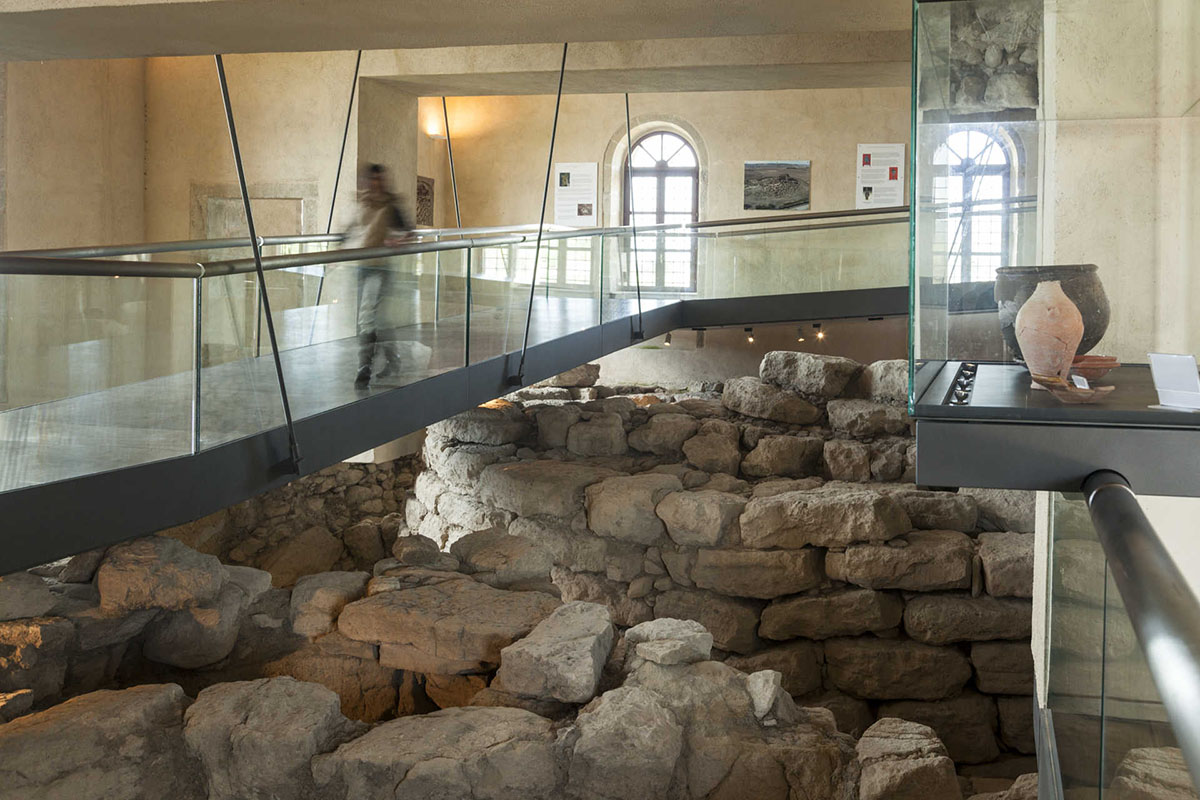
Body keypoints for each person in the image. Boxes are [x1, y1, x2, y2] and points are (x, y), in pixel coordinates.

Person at [344, 164, 413, 389]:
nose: (375, 185)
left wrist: (397, 242)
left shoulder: (391, 204)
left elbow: (410, 231)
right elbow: (353, 230)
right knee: (374, 318)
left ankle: (364, 367)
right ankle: (394, 359)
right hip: (362, 266)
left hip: (380, 267)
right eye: (371, 181)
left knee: (368, 316)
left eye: (379, 181)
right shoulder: (362, 202)